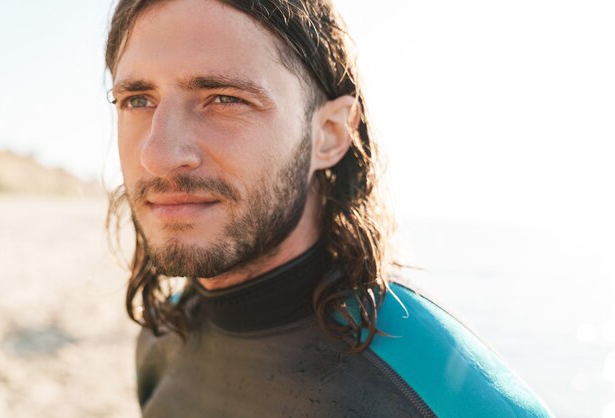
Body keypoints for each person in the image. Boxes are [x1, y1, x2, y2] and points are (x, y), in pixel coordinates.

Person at [105, 0, 553, 416]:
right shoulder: (162, 337)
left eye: (225, 98)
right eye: (137, 100)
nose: (157, 154)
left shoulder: (437, 387)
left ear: (331, 134)